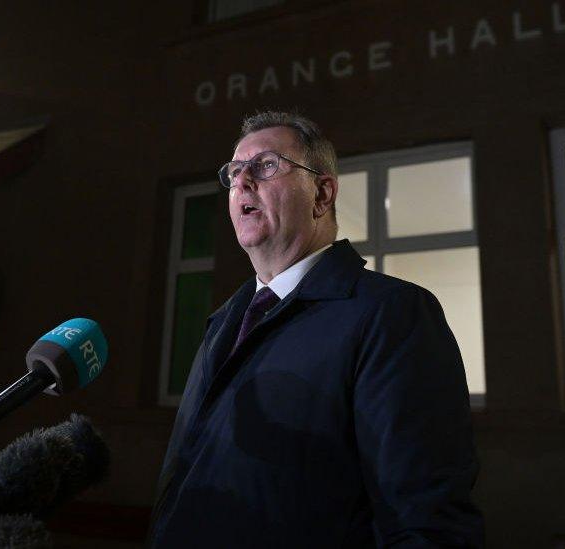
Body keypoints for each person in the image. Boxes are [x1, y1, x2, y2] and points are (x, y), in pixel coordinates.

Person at [150, 111, 483, 548]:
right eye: (234, 172)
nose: (242, 182)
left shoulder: (391, 314)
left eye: (266, 165)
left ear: (322, 194)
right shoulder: (223, 323)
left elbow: (426, 521)